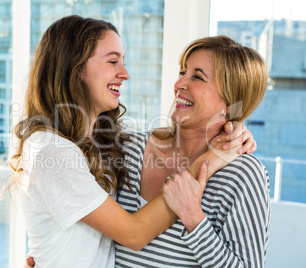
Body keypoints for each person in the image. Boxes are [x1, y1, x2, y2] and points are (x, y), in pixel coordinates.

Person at [16, 16, 256, 268]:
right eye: (112, 61)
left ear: (229, 102)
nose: (125, 73)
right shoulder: (56, 151)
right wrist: (209, 161)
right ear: (73, 68)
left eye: (197, 76)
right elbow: (133, 234)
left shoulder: (105, 145)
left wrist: (234, 131)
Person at [115, 35, 271, 267]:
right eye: (182, 72)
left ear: (230, 103)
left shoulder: (243, 175)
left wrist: (193, 217)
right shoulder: (128, 148)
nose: (178, 84)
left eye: (197, 77)